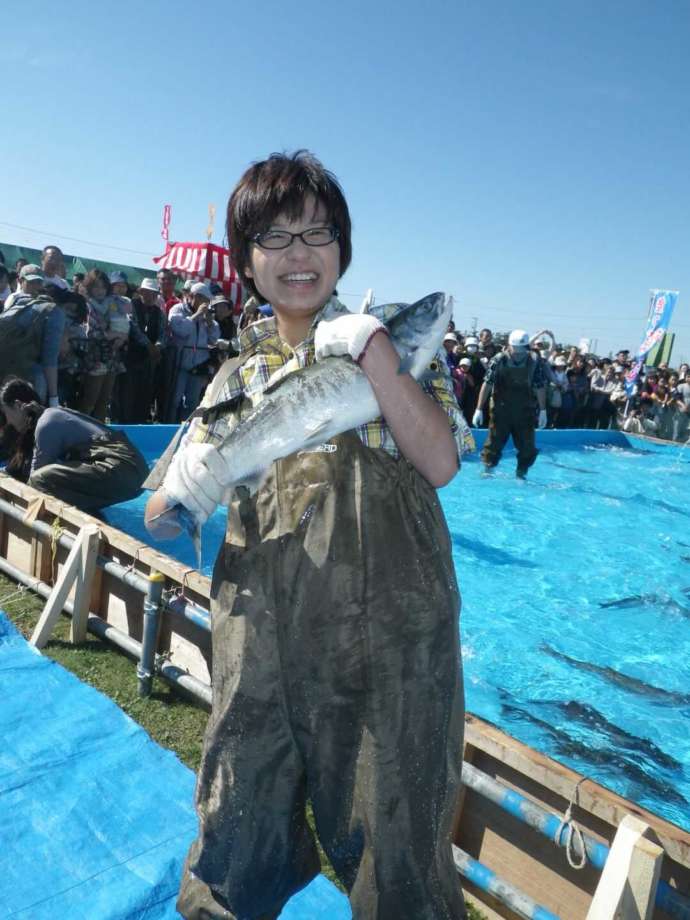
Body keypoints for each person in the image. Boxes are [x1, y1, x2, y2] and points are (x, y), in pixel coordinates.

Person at [145, 150, 467, 920]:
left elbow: (441, 460)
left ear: (343, 250)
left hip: (391, 666)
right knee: (230, 850)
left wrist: (376, 357)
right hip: (258, 658)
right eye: (276, 238)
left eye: (318, 235)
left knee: (401, 871)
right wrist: (191, 473)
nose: (299, 255)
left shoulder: (398, 350)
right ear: (247, 260)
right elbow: (158, 515)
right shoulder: (232, 381)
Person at [0, 377, 148, 513]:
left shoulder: (46, 423)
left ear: (18, 405)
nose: (7, 422)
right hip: (133, 471)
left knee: (40, 480)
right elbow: (20, 467)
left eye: (5, 413)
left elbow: (34, 482)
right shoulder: (47, 417)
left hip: (125, 469)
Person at [472, 328, 547, 478]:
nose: (519, 353)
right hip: (501, 410)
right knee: (493, 444)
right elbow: (487, 384)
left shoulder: (533, 361)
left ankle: (521, 474)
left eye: (522, 349)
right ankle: (487, 471)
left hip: (525, 411)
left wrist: (543, 410)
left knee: (527, 448)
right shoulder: (499, 359)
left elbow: (539, 386)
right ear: (509, 345)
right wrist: (479, 409)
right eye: (516, 349)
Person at [0, 264, 64, 405]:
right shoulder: (51, 310)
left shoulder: (9, 305)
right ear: (20, 281)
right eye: (32, 282)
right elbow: (50, 358)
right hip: (30, 379)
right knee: (29, 423)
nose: (36, 285)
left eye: (39, 282)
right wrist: (54, 397)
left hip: (3, 373)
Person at [78, 269, 130, 421]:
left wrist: (121, 337)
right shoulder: (87, 306)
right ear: (89, 287)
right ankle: (81, 434)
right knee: (89, 401)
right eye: (96, 287)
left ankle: (99, 437)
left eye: (102, 287)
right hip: (94, 359)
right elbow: (90, 334)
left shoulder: (113, 304)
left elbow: (125, 327)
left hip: (112, 358)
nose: (100, 291)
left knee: (104, 401)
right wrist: (113, 334)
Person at [168, 282, 220, 421]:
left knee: (192, 402)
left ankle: (186, 429)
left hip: (199, 363)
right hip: (180, 363)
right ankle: (171, 426)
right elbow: (180, 330)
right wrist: (196, 315)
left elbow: (214, 339)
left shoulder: (207, 315)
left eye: (208, 301)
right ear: (194, 297)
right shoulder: (178, 309)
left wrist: (209, 323)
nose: (207, 304)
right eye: (204, 300)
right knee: (175, 400)